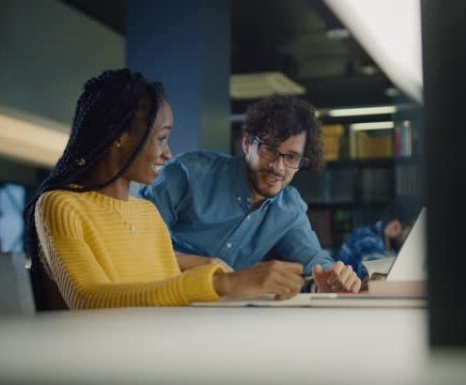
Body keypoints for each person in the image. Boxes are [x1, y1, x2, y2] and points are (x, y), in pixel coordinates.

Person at [24, 69, 305, 309]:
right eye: (161, 139)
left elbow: (170, 299)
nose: (168, 153)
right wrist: (222, 283)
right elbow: (89, 299)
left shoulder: (147, 213)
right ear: (120, 135)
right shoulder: (59, 205)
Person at [141, 95, 361, 293]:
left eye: (292, 158)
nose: (278, 167)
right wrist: (201, 264)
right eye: (269, 150)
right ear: (247, 143)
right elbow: (136, 245)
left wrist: (334, 275)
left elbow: (315, 261)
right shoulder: (189, 174)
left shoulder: (288, 208)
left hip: (224, 318)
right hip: (160, 300)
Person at [335, 218, 411, 280]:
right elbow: (375, 276)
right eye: (408, 236)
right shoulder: (367, 238)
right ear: (395, 227)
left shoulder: (391, 249)